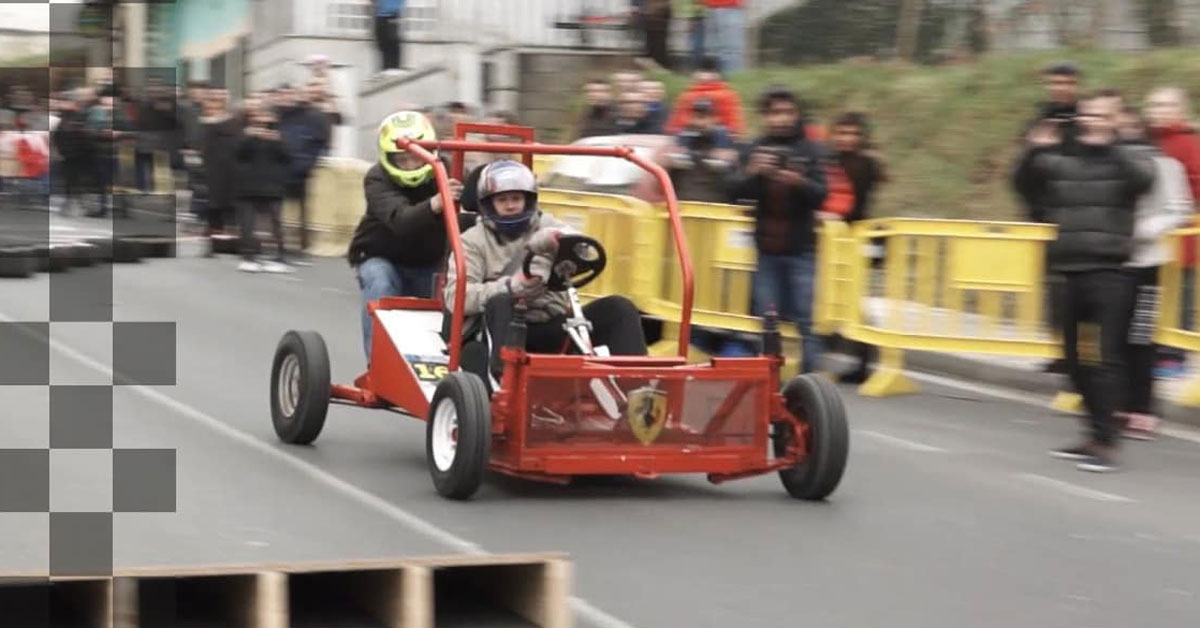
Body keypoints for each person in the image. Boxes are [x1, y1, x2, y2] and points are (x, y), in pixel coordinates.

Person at [1014, 92, 1156, 472]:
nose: (1090, 119)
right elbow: (1026, 187)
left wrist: (1113, 142)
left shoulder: (1131, 154)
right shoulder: (1065, 157)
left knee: (1105, 358)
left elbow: (1144, 180)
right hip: (1068, 269)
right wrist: (1032, 150)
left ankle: (1107, 442)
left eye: (1100, 114)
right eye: (1087, 113)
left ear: (1114, 119)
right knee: (1074, 362)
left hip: (1110, 272)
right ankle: (1092, 434)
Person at [444, 159, 647, 382]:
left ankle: (637, 389)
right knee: (500, 302)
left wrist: (561, 244)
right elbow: (456, 298)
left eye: (516, 198)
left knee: (619, 308)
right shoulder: (471, 241)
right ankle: (505, 386)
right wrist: (511, 287)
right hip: (497, 330)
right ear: (489, 204)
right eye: (502, 200)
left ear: (528, 200)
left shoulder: (549, 225)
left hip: (550, 325)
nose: (511, 206)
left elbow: (585, 251)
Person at [348, 111, 468, 361]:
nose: (410, 164)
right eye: (401, 159)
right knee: (381, 283)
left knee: (458, 296)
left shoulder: (449, 170)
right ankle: (377, 363)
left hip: (430, 262)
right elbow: (399, 220)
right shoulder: (376, 178)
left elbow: (477, 200)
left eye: (414, 157)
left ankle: (448, 364)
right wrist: (436, 203)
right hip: (380, 256)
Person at [732, 86, 828, 374]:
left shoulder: (811, 150)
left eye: (787, 112)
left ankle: (811, 386)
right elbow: (733, 191)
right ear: (765, 116)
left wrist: (797, 181)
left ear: (796, 114)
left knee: (805, 322)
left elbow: (822, 194)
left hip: (802, 251)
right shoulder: (755, 148)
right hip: (766, 253)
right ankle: (767, 383)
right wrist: (753, 173)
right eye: (775, 112)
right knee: (767, 322)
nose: (781, 118)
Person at [1114, 106, 1193, 440]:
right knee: (1114, 336)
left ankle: (1143, 408)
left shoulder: (1166, 167)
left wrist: (1148, 227)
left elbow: (1181, 209)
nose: (1127, 135)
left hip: (1147, 263)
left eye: (1133, 129)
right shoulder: (1108, 164)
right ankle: (1120, 402)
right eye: (1122, 129)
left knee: (1141, 339)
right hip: (1114, 261)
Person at [826, 112, 888, 383]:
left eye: (852, 134)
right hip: (831, 238)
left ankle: (864, 361)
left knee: (854, 303)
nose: (847, 139)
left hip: (853, 237)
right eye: (842, 133)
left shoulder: (864, 164)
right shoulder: (829, 161)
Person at [1145, 86, 1200, 377]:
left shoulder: (1188, 142)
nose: (1160, 110)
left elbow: (1196, 183)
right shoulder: (1146, 140)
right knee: (1151, 293)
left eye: (1167, 105)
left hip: (1180, 234)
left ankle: (1174, 355)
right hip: (1149, 235)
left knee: (1180, 294)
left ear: (1181, 109)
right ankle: (1153, 348)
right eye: (1155, 104)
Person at [234, 98, 292, 273]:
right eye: (260, 114)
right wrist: (249, 137)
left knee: (276, 222)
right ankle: (249, 256)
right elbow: (237, 154)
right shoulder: (246, 133)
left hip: (272, 186)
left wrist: (277, 141)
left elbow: (287, 158)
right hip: (248, 185)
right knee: (247, 223)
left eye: (268, 115)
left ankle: (280, 256)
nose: (263, 119)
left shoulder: (279, 135)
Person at [279, 83, 333, 265]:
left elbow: (322, 142)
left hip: (302, 168)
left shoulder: (315, 116)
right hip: (283, 166)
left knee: (303, 210)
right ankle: (282, 243)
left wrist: (310, 163)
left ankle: (302, 245)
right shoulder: (284, 115)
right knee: (279, 208)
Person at [663, 98, 736, 202]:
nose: (700, 122)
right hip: (685, 199)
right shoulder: (685, 135)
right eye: (696, 117)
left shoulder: (723, 137)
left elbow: (733, 179)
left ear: (715, 119)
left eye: (704, 117)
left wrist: (726, 159)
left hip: (714, 200)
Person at [199, 88, 242, 255]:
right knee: (213, 208)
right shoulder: (205, 124)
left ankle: (231, 243)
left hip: (229, 172)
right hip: (212, 171)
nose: (211, 111)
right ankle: (213, 244)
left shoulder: (232, 123)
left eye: (214, 107)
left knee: (229, 207)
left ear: (222, 107)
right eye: (209, 108)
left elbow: (237, 146)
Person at [664, 57, 745, 138]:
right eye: (702, 71)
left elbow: (734, 121)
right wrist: (692, 123)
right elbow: (676, 121)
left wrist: (732, 132)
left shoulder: (728, 95)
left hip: (718, 136)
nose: (706, 75)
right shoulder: (686, 95)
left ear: (717, 74)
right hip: (689, 134)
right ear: (696, 74)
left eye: (709, 72)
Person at [703, 0, 745, 73]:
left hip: (730, 7)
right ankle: (715, 75)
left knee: (730, 47)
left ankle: (732, 74)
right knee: (713, 48)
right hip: (712, 8)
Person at [373, 0, 405, 74]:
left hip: (390, 16)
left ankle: (390, 69)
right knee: (386, 46)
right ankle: (388, 68)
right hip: (384, 16)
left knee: (390, 46)